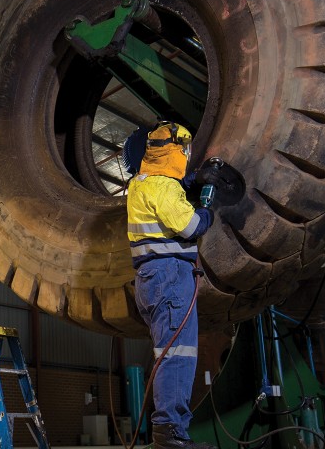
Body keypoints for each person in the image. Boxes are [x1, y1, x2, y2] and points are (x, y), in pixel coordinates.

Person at [126, 121, 220, 449]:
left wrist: (191, 183)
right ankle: (170, 432)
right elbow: (190, 226)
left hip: (151, 278)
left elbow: (166, 202)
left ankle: (170, 430)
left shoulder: (140, 184)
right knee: (178, 355)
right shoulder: (164, 187)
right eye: (185, 150)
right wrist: (207, 209)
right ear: (174, 150)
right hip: (170, 277)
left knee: (168, 353)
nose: (188, 155)